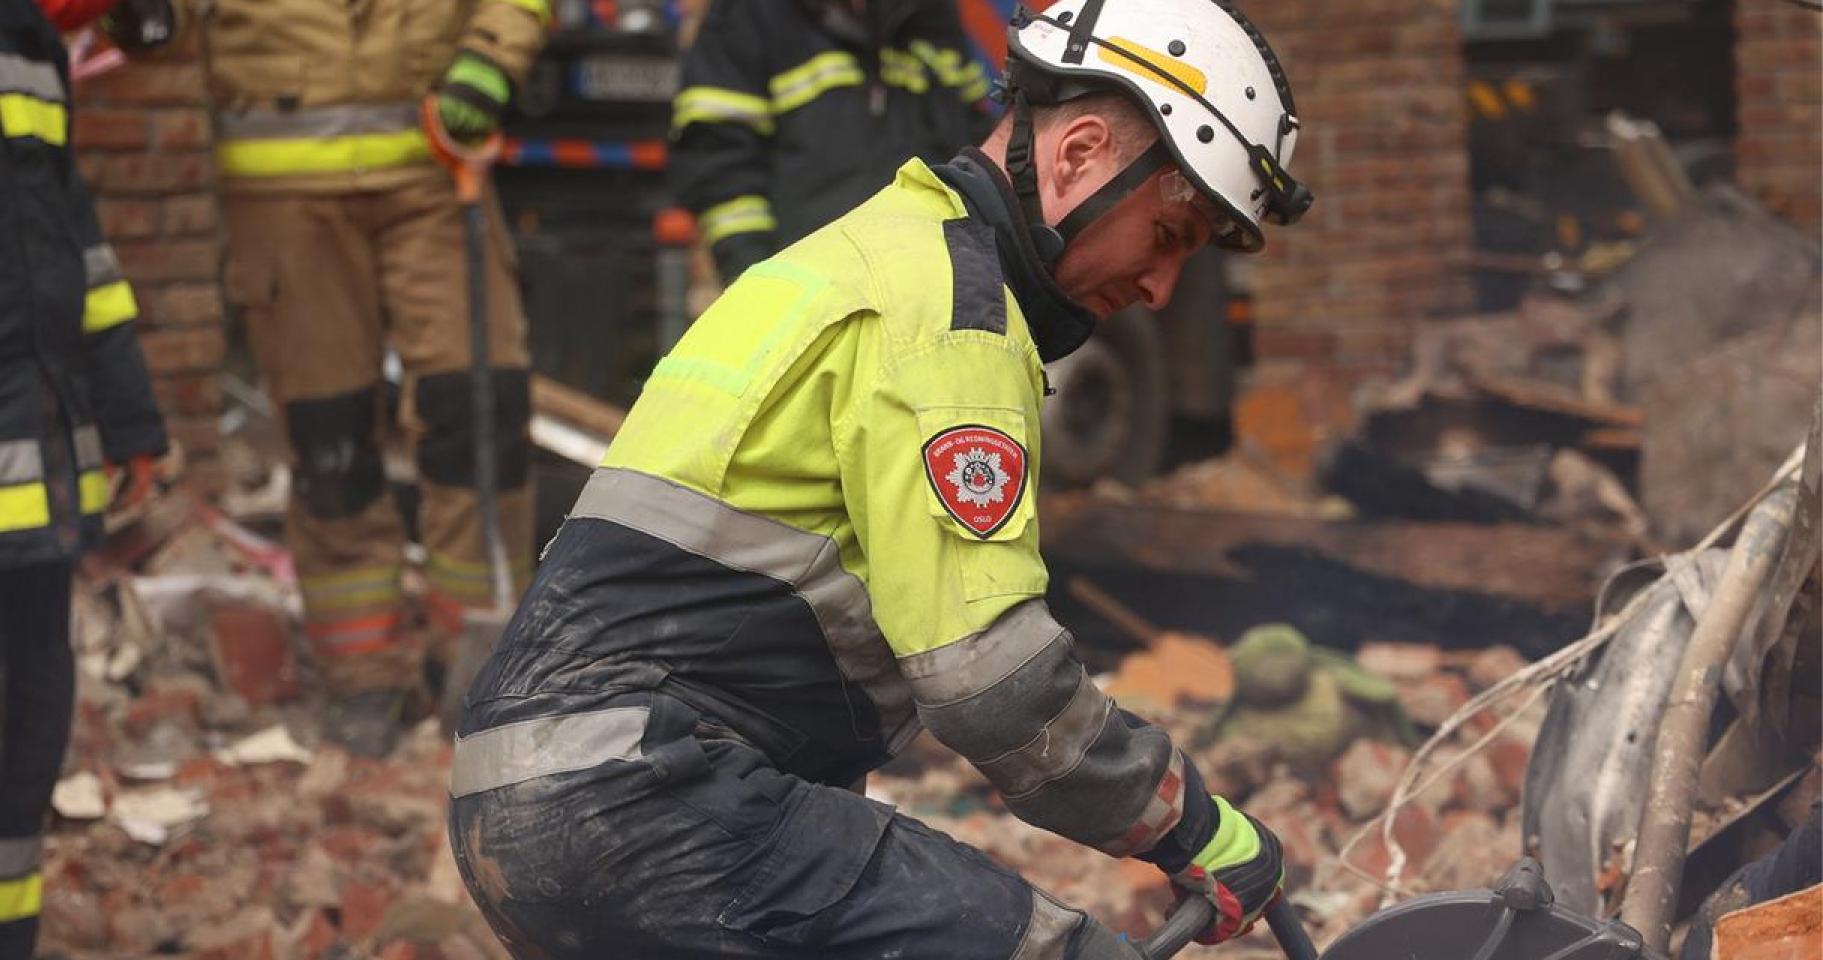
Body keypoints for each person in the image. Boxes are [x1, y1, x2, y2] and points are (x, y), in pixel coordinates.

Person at [448, 0, 1313, 956]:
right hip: (649, 801)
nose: (1160, 289)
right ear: (1079, 154)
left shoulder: (873, 251)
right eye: (1170, 236)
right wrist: (1195, 827)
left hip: (548, 800)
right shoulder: (947, 316)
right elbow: (994, 688)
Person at [105, 0, 552, 756]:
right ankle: (362, 676)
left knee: (478, 409)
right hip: (286, 196)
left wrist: (491, 56)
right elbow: (157, 27)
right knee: (331, 440)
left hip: (432, 173)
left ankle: (482, 663)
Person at [0, 1, 168, 956]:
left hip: (40, 472)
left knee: (26, 732)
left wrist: (129, 412)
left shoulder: (22, 37)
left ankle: (0, 944)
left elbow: (73, 245)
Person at [671, 0, 994, 284]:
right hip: (802, 289)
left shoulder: (929, 14)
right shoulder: (749, 12)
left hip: (932, 284)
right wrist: (754, 278)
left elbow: (974, 147)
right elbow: (719, 165)